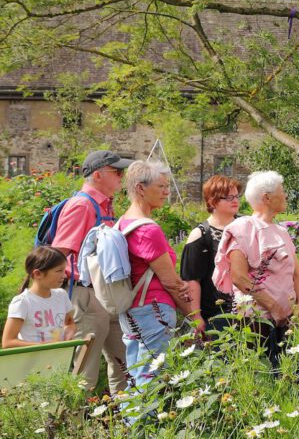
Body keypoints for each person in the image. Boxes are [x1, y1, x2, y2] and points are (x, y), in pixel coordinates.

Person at [51, 149, 132, 392]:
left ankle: (126, 425)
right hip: (85, 296)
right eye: (116, 171)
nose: (122, 176)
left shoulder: (104, 206)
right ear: (97, 175)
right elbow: (59, 254)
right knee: (84, 373)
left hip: (106, 295)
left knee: (124, 366)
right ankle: (73, 428)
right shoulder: (82, 206)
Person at [214, 171, 299, 369]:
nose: (285, 196)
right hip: (255, 322)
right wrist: (273, 307)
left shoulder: (281, 231)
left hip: (288, 322)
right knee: (259, 375)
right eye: (282, 192)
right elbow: (239, 277)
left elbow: (296, 272)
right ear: (267, 197)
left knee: (287, 378)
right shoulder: (242, 228)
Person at [117, 161, 193, 387]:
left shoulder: (123, 223)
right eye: (161, 186)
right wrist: (194, 315)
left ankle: (132, 422)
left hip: (133, 310)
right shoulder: (147, 229)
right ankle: (143, 422)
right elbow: (171, 282)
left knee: (137, 377)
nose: (167, 192)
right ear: (141, 189)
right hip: (153, 311)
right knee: (152, 381)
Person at [180, 175, 241, 335]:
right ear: (212, 201)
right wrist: (196, 316)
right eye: (228, 197)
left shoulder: (246, 226)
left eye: (236, 196)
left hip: (247, 309)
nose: (235, 200)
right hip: (216, 314)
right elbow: (192, 279)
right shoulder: (201, 234)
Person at [3, 247, 75, 348]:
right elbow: (8, 342)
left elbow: (69, 322)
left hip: (58, 359)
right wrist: (45, 346)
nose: (64, 275)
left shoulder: (62, 295)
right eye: (59, 271)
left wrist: (69, 333)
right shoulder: (22, 302)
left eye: (64, 270)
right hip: (32, 362)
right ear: (37, 274)